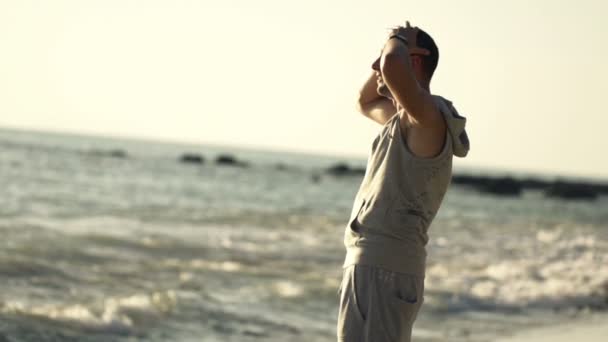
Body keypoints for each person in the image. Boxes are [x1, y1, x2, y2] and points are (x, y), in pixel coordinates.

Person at [336, 21, 470, 341]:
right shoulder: (401, 120)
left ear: (413, 60)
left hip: (385, 268)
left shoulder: (428, 119)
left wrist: (396, 43)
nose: (376, 66)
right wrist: (391, 51)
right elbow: (364, 101)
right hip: (370, 265)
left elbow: (392, 66)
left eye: (381, 56)